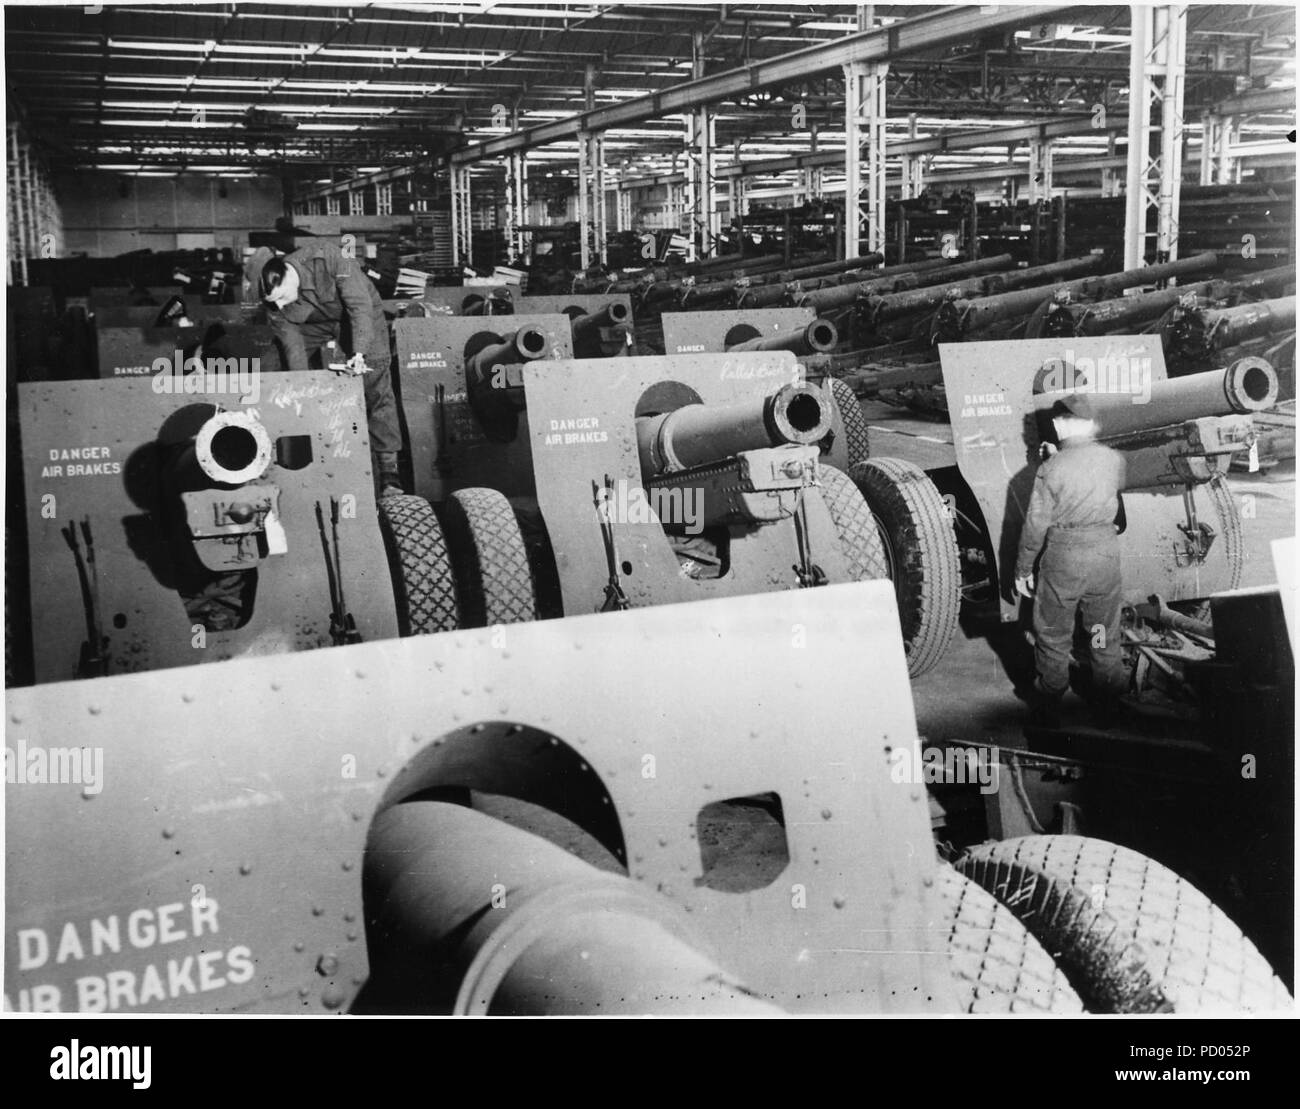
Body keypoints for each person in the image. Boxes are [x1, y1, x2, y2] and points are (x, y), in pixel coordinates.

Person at [1014, 392, 1128, 723]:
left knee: (1053, 631)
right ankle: (1109, 693)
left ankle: (1051, 694)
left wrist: (1023, 567)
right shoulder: (1113, 459)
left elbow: (1036, 524)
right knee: (1103, 629)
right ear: (1091, 425)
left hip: (1066, 557)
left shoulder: (1051, 468)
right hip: (1105, 554)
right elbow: (1100, 486)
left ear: (1063, 424)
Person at [260, 239, 403, 496]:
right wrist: (300, 386)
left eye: (281, 297)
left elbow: (359, 306)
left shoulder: (329, 257)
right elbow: (293, 346)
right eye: (274, 302)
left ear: (287, 275)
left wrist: (359, 352)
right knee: (272, 369)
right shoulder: (276, 303)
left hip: (359, 314)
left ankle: (389, 473)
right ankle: (290, 460)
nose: (279, 305)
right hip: (316, 323)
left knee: (375, 384)